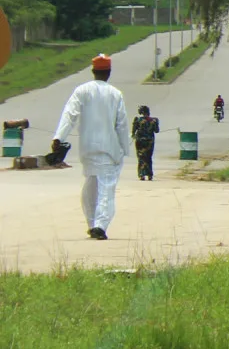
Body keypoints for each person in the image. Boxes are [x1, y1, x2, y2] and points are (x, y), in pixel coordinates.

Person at [53, 54, 128, 241]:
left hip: (87, 149)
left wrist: (58, 137)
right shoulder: (115, 94)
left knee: (90, 187)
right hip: (109, 150)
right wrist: (125, 149)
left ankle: (91, 223)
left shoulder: (82, 91)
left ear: (93, 71)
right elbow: (121, 125)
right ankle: (100, 226)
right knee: (106, 189)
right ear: (109, 72)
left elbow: (69, 114)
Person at [131, 104, 161, 181]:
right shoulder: (154, 120)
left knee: (141, 157)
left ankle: (142, 174)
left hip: (140, 141)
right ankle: (150, 174)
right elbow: (157, 131)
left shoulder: (137, 120)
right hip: (150, 141)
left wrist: (134, 135)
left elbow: (133, 132)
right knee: (149, 157)